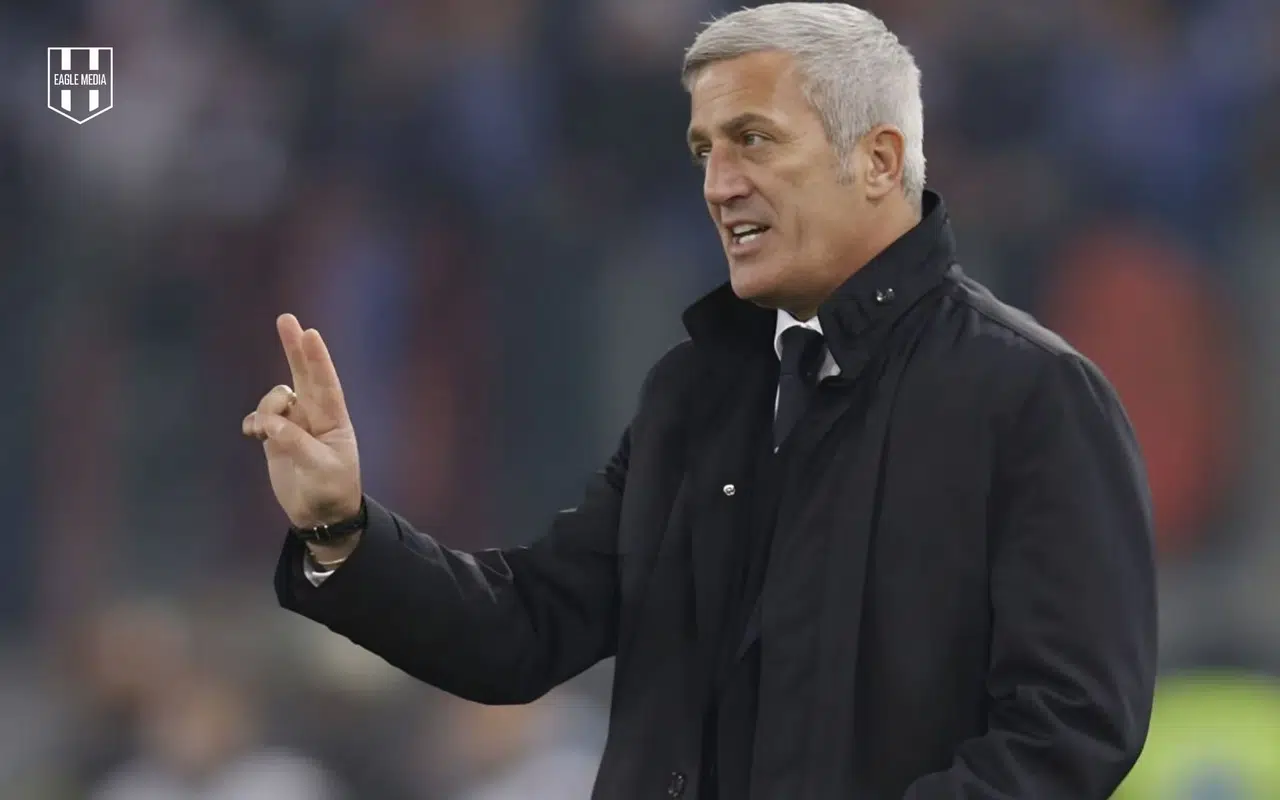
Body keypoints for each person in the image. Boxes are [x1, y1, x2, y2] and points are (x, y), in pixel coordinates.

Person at [243, 3, 1158, 797]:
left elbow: (1069, 727)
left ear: (880, 160)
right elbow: (525, 629)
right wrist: (340, 529)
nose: (719, 184)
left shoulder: (1034, 396)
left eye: (754, 140)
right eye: (704, 151)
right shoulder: (695, 394)